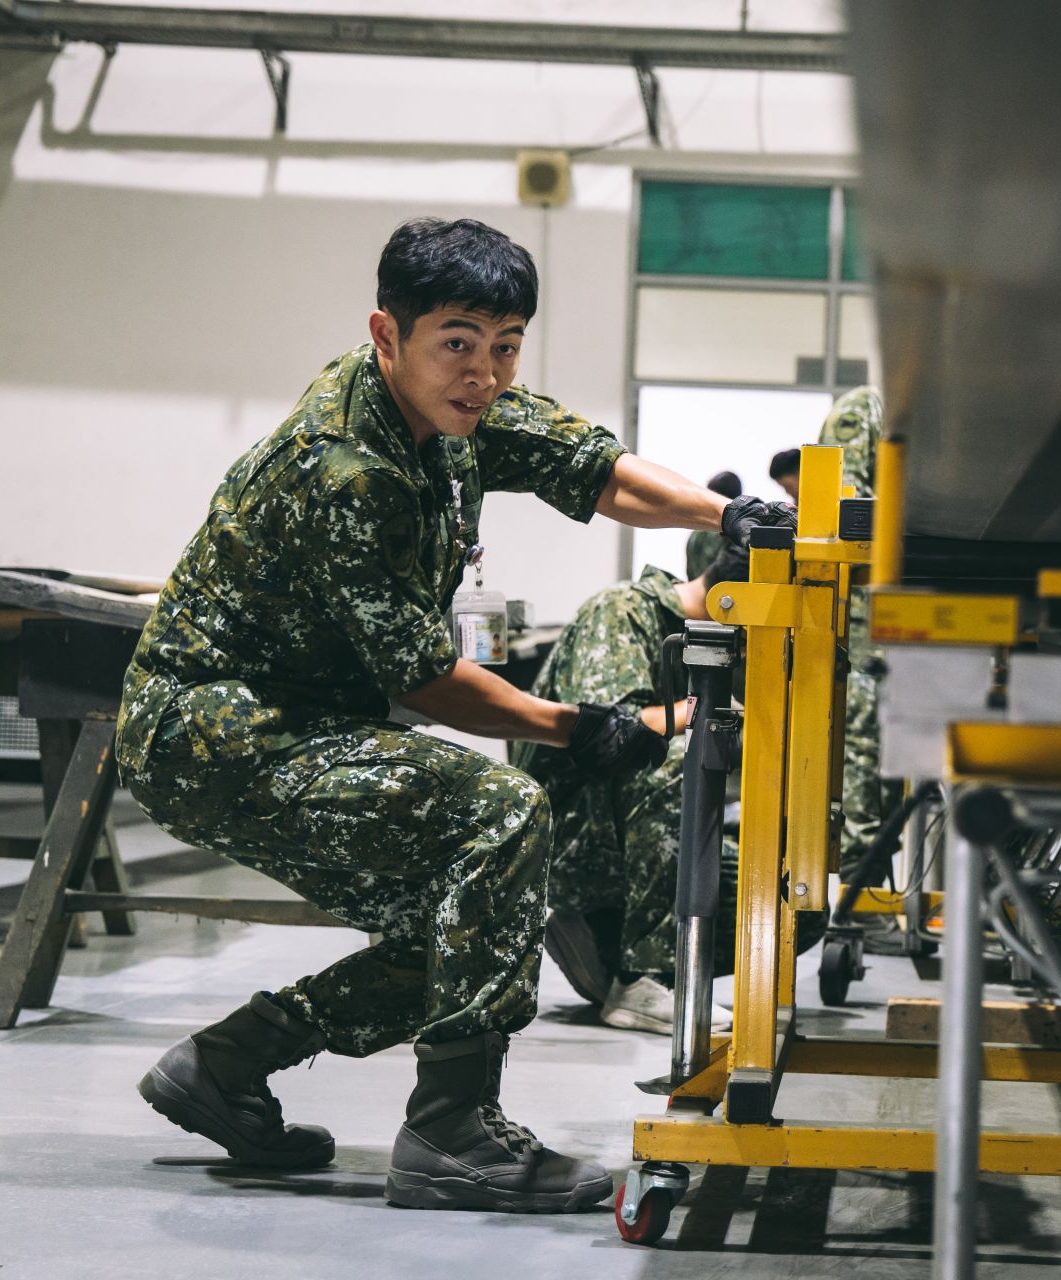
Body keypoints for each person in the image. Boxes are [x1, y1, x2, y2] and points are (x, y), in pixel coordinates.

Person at [116, 217, 793, 1215]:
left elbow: (592, 467)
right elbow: (429, 679)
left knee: (464, 922)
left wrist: (721, 514)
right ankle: (451, 1134)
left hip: (304, 717)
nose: (483, 373)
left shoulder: (457, 409)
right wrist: (579, 726)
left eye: (506, 346)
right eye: (458, 343)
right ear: (388, 334)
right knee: (502, 810)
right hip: (217, 733)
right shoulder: (346, 465)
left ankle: (225, 1064)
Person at [515, 544, 821, 1034]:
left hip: (623, 832)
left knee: (794, 901)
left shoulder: (718, 641)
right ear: (735, 600)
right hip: (570, 832)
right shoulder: (621, 611)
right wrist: (711, 708)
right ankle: (643, 975)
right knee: (675, 758)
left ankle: (606, 946)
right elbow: (613, 734)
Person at [815, 385, 900, 879]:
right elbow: (847, 518)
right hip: (869, 612)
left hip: (915, 610)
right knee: (863, 745)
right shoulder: (864, 410)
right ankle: (860, 886)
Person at [684, 470, 741, 580]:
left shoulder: (695, 533)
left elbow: (690, 572)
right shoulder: (732, 535)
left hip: (696, 589)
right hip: (722, 590)